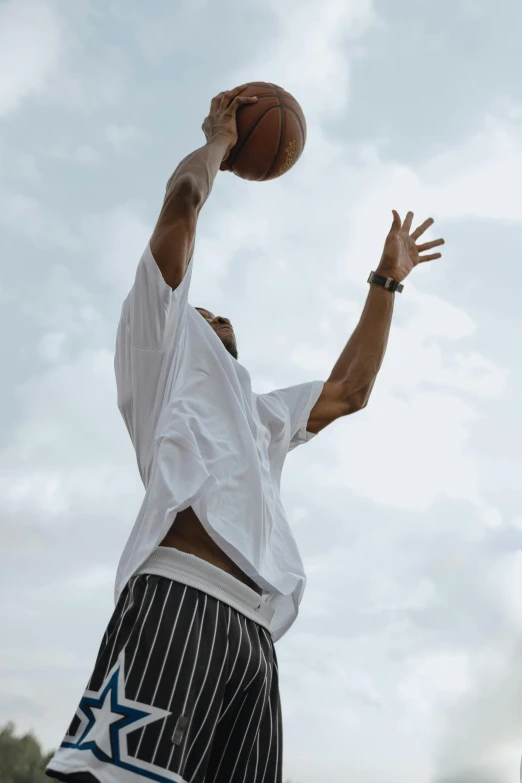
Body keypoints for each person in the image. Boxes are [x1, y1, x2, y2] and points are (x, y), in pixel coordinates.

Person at [46, 85, 444, 783]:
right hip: (183, 597)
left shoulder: (260, 414)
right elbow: (182, 205)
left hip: (256, 637)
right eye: (206, 308)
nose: (219, 315)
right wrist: (222, 142)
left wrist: (386, 280)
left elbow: (351, 390)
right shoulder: (160, 348)